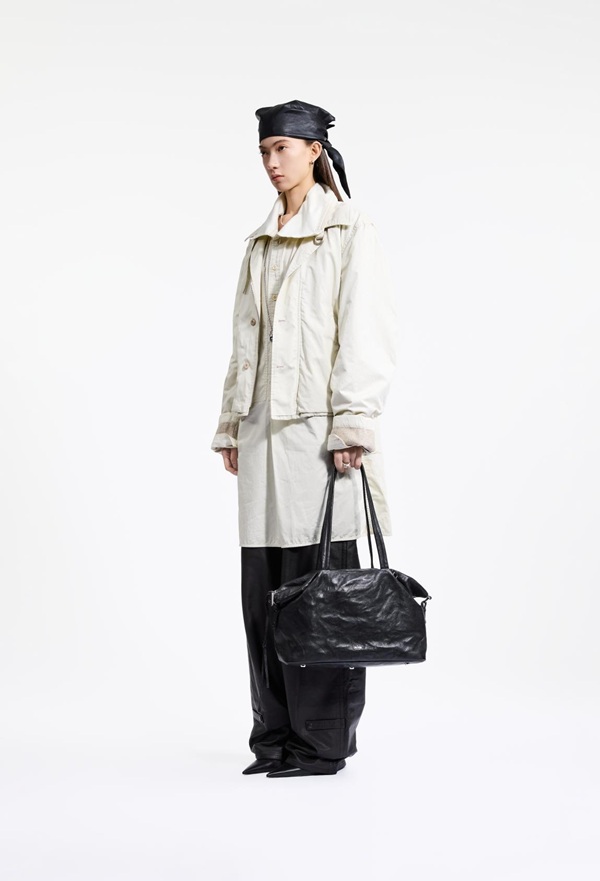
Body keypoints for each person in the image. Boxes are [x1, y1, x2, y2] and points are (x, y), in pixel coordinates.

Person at [210, 99, 397, 777]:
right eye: (264, 151)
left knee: (322, 594)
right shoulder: (260, 241)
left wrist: (353, 423)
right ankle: (274, 737)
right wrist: (231, 423)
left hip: (320, 436)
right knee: (264, 592)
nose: (270, 162)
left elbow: (365, 330)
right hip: (261, 435)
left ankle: (320, 742)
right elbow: (244, 343)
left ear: (315, 150)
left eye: (282, 148)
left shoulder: (347, 227)